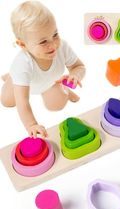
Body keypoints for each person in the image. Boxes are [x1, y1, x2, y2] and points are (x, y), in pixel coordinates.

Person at [0, 1, 85, 138]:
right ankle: (11, 77)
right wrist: (32, 125)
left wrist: (75, 75)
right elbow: (23, 101)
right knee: (7, 102)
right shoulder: (22, 64)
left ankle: (65, 91)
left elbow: (79, 66)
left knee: (56, 105)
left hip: (50, 82)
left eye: (55, 34)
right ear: (23, 45)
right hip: (21, 84)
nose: (53, 44)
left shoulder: (62, 47)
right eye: (43, 42)